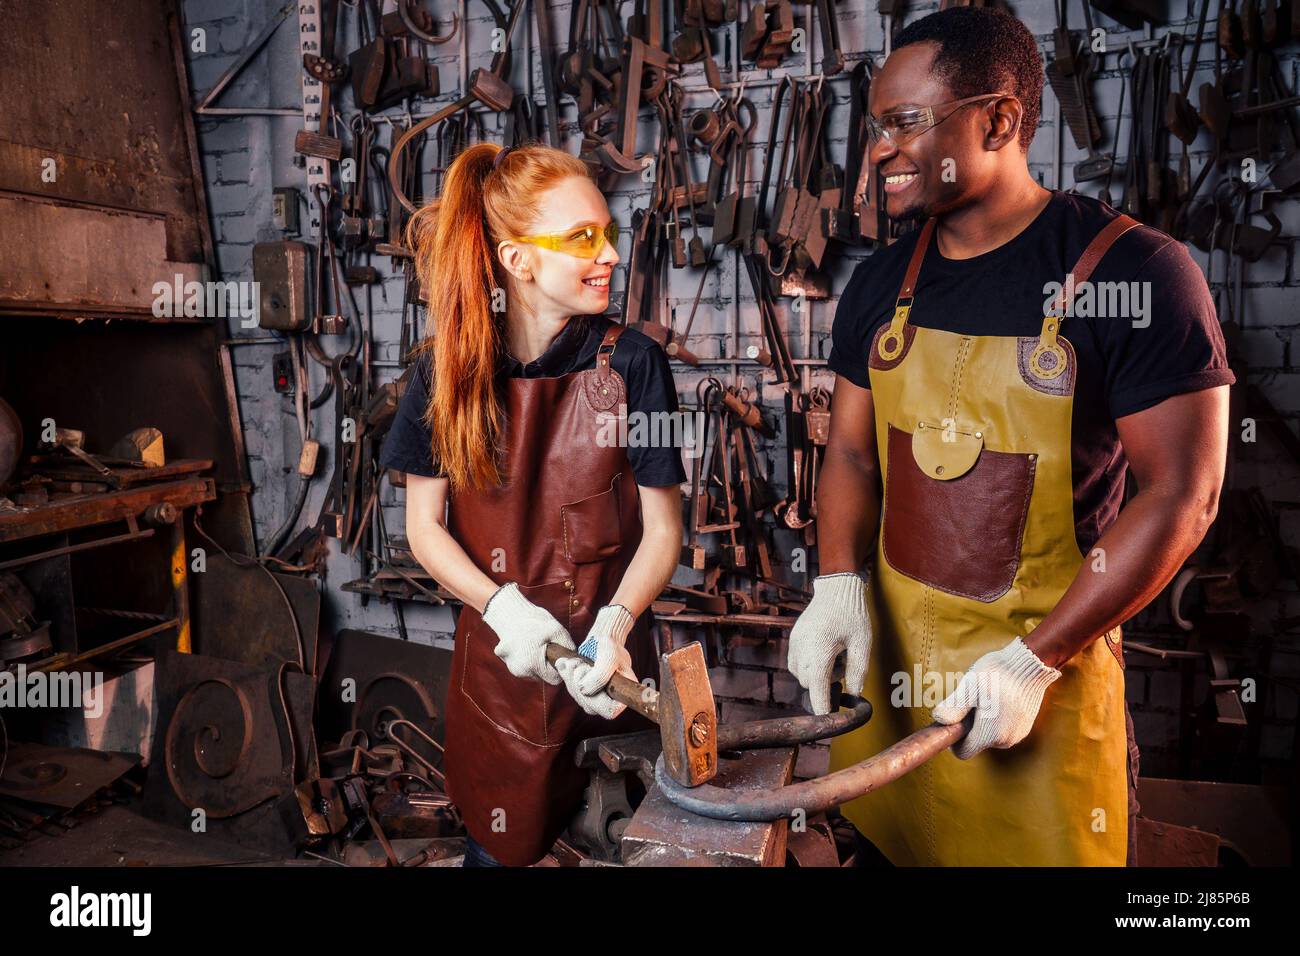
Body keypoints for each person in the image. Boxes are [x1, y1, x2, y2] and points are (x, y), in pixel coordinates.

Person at [786, 7, 1234, 865]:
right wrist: (837, 583)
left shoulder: (1135, 273)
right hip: (895, 697)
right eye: (875, 126)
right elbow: (848, 450)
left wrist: (1034, 661)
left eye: (906, 122)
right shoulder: (884, 282)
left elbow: (1185, 494)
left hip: (1033, 699)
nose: (877, 150)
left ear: (997, 119)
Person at [379, 142, 685, 867]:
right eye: (583, 238)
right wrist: (503, 609)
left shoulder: (637, 365)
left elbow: (665, 530)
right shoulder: (443, 376)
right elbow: (424, 530)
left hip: (611, 677)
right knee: (498, 850)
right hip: (502, 673)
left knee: (626, 847)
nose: (608, 253)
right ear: (518, 262)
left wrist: (613, 626)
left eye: (608, 233)